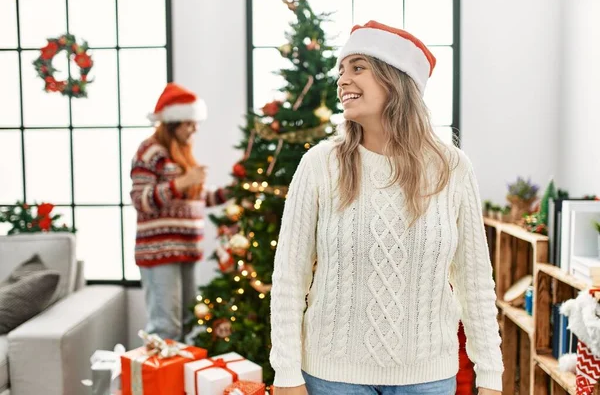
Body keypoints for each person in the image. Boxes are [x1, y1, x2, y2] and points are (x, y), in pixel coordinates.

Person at [270, 21, 503, 395]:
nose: (343, 80)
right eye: (341, 71)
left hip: (427, 379)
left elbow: (474, 281)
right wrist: (285, 373)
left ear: (396, 79)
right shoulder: (319, 165)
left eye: (358, 67)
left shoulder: (452, 167)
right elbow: (289, 277)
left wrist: (490, 375)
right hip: (333, 378)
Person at [130, 82, 227, 341]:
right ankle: (157, 380)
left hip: (186, 248)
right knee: (165, 327)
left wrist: (232, 191)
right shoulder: (149, 151)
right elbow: (141, 199)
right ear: (172, 123)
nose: (194, 129)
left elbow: (197, 199)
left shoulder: (182, 153)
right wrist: (182, 181)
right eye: (189, 123)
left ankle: (177, 379)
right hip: (160, 249)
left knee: (186, 322)